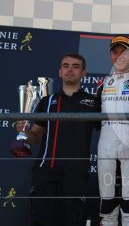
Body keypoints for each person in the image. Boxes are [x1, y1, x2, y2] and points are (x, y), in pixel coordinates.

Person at [15, 53, 101, 226]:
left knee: (70, 221)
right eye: (66, 66)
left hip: (75, 173)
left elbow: (107, 134)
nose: (70, 69)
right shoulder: (47, 101)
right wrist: (23, 131)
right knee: (41, 220)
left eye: (75, 66)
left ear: (84, 73)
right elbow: (35, 137)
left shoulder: (94, 103)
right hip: (45, 170)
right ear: (60, 72)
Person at [97, 35, 129, 226]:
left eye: (124, 52)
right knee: (106, 200)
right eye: (115, 52)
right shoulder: (102, 84)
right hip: (106, 141)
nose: (119, 56)